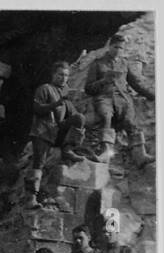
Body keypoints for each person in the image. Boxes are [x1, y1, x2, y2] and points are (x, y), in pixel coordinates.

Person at [85, 30, 155, 165]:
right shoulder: (97, 63)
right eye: (115, 47)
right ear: (109, 47)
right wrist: (103, 80)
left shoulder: (124, 63)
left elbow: (135, 83)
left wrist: (151, 95)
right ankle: (106, 153)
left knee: (131, 121)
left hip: (123, 99)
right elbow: (88, 88)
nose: (118, 50)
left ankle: (140, 155)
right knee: (106, 117)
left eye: (121, 48)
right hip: (104, 98)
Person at [25, 61, 86, 209]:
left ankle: (68, 148)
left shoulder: (64, 94)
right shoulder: (45, 89)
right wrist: (57, 103)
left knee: (80, 118)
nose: (63, 78)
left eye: (66, 75)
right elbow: (37, 108)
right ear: (53, 75)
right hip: (43, 131)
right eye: (60, 75)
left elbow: (72, 116)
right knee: (39, 163)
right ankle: (31, 198)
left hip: (57, 132)